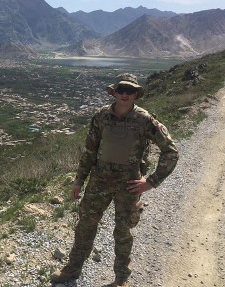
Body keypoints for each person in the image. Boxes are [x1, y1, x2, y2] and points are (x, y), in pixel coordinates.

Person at [50, 73, 179, 286]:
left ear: (136, 94)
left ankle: (121, 280)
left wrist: (151, 181)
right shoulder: (101, 116)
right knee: (85, 226)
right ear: (114, 92)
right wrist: (79, 181)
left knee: (123, 232)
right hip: (99, 180)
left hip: (129, 184)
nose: (125, 94)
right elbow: (90, 152)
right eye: (122, 90)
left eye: (130, 91)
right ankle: (71, 271)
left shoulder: (145, 120)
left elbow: (171, 151)